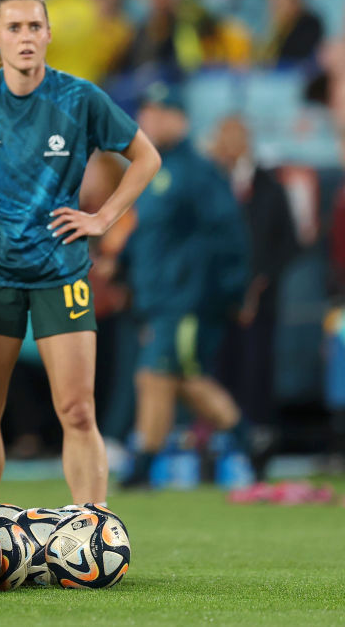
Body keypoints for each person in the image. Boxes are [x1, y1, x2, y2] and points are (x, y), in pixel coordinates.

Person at [0, 0, 160, 513]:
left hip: (60, 270)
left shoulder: (79, 98)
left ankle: (93, 527)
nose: (25, 37)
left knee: (77, 410)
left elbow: (146, 158)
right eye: (14, 28)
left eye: (34, 27)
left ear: (48, 34)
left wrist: (103, 217)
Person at [120, 82, 250, 489]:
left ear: (182, 119)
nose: (152, 120)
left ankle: (143, 464)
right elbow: (148, 236)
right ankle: (252, 439)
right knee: (181, 377)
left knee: (157, 374)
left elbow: (229, 235)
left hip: (185, 297)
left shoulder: (197, 171)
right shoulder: (151, 167)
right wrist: (122, 268)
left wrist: (228, 290)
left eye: (162, 113)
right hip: (158, 296)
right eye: (148, 112)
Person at [209, 115, 297, 479]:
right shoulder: (211, 185)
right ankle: (224, 450)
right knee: (219, 374)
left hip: (261, 302)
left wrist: (260, 282)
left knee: (257, 374)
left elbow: (287, 242)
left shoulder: (269, 186)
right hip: (217, 302)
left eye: (231, 137)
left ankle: (260, 450)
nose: (225, 144)